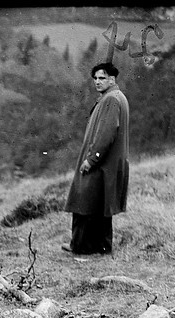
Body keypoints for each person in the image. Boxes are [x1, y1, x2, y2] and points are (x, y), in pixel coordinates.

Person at [63, 61, 130, 255]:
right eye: (95, 78)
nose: (97, 82)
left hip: (102, 164)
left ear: (112, 79)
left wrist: (92, 159)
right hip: (107, 163)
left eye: (102, 78)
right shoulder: (115, 97)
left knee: (85, 202)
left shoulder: (111, 100)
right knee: (99, 206)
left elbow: (106, 134)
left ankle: (83, 246)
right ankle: (101, 246)